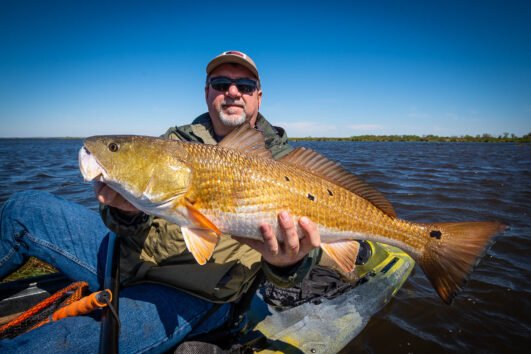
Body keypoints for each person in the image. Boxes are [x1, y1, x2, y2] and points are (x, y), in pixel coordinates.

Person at [0, 50, 322, 353]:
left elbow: (310, 254)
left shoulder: (287, 168)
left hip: (192, 295)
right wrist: (124, 213)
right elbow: (132, 208)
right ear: (207, 92)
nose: (233, 92)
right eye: (221, 84)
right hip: (123, 256)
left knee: (50, 344)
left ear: (258, 96)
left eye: (245, 85)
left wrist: (288, 262)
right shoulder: (175, 141)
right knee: (22, 210)